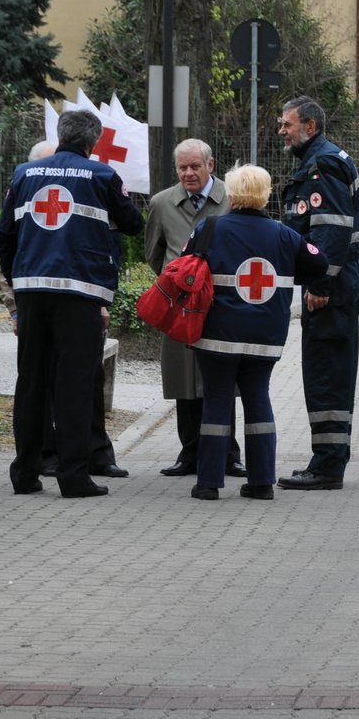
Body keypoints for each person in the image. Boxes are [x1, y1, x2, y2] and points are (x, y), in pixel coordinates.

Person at [0, 109, 143, 498]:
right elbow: (132, 223)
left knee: (30, 384)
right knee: (74, 386)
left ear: (61, 135)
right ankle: (73, 477)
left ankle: (25, 474)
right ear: (92, 142)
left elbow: (3, 237)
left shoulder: (24, 174)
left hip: (31, 295)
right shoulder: (102, 176)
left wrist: (19, 280)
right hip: (80, 295)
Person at [182, 164, 329, 501]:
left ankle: (208, 483)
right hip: (265, 336)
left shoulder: (211, 226)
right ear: (264, 195)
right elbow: (319, 263)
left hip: (216, 333)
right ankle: (262, 482)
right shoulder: (283, 235)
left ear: (231, 194)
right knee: (258, 399)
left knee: (217, 401)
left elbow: (184, 266)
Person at [275, 96, 359, 492]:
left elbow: (331, 229)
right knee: (328, 368)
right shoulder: (323, 159)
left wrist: (319, 283)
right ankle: (328, 459)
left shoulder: (322, 164)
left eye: (288, 124)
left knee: (326, 371)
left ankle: (328, 465)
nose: (282, 130)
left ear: (309, 126)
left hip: (332, 285)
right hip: (337, 281)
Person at [144, 138, 245, 479]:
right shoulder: (161, 203)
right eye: (182, 168)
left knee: (222, 380)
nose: (188, 173)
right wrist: (178, 283)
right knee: (184, 381)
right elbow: (153, 253)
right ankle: (190, 453)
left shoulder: (232, 201)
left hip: (222, 305)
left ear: (211, 166)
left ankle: (229, 455)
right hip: (181, 308)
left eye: (195, 167)